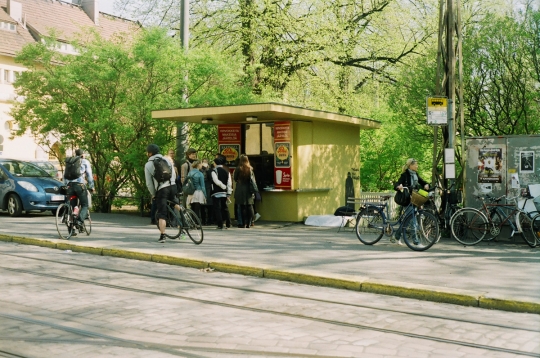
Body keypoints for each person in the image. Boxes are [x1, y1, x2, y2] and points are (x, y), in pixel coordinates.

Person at [144, 144, 179, 243]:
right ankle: (185, 217)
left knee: (162, 214)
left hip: (162, 189)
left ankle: (163, 236)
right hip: (173, 186)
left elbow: (149, 183)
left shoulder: (148, 165)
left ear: (150, 153)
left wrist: (154, 194)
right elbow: (173, 173)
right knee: (174, 203)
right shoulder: (167, 159)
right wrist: (172, 184)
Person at [392, 158, 430, 245]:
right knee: (413, 220)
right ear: (410, 166)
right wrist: (399, 187)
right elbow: (396, 184)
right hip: (407, 199)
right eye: (415, 164)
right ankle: (416, 242)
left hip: (414, 199)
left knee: (407, 220)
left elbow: (422, 181)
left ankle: (396, 236)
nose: (417, 166)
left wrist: (426, 184)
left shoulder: (416, 174)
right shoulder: (405, 175)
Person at [64, 149, 94, 235]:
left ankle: (71, 230)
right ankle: (79, 221)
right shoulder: (84, 161)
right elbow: (89, 175)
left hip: (69, 186)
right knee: (85, 205)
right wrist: (91, 186)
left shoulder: (70, 162)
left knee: (73, 207)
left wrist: (66, 185)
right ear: (83, 155)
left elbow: (65, 175)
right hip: (79, 186)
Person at [233, 154, 258, 228]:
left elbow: (235, 178)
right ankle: (249, 223)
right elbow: (253, 180)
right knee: (250, 206)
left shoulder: (238, 168)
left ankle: (243, 223)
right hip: (249, 189)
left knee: (242, 206)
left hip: (240, 188)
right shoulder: (250, 169)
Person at [211, 156, 232, 229]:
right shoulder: (227, 171)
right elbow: (229, 183)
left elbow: (215, 181)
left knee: (217, 208)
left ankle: (220, 224)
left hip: (216, 192)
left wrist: (222, 186)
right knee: (225, 208)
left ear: (216, 163)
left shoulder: (214, 171)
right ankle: (228, 223)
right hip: (224, 193)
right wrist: (228, 191)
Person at [200, 159, 214, 225]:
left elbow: (211, 179)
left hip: (208, 188)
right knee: (202, 206)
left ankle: (210, 220)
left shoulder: (210, 170)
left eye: (206, 162)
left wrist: (207, 170)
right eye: (203, 162)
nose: (204, 164)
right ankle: (203, 220)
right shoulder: (200, 170)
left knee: (210, 205)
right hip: (202, 188)